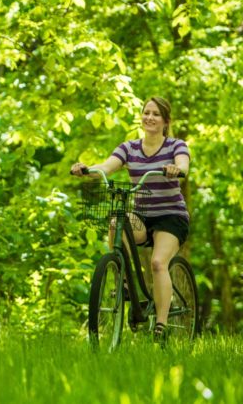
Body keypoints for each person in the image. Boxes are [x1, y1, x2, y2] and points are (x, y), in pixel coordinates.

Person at [70, 96, 189, 344]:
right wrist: (87, 169)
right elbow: (107, 166)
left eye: (156, 114)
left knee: (158, 263)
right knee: (116, 222)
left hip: (171, 217)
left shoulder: (176, 145)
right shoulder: (129, 148)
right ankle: (123, 282)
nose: (150, 118)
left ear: (166, 121)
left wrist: (177, 169)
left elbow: (183, 164)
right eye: (146, 112)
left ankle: (161, 324)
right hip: (142, 217)